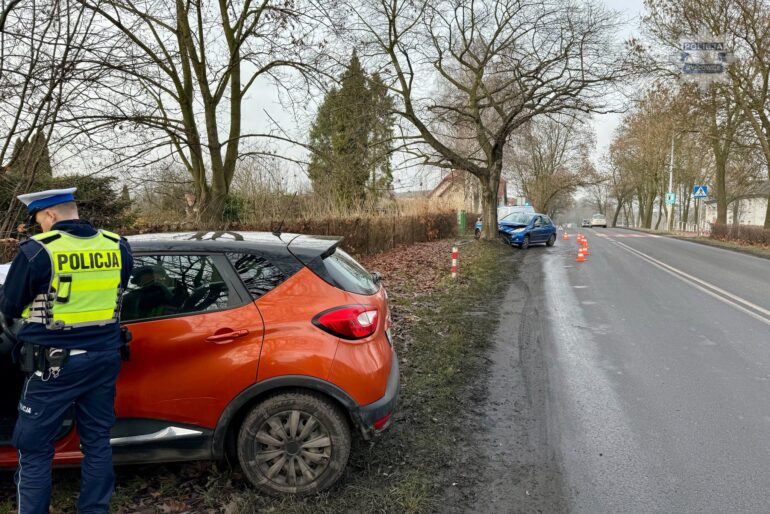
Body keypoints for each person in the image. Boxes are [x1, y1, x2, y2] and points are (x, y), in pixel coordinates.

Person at [0, 187, 133, 514]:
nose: (39, 226)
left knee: (34, 449)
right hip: (104, 358)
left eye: (39, 220)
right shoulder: (117, 245)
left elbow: (10, 306)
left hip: (52, 366)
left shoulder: (37, 251)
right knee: (97, 442)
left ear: (50, 214)